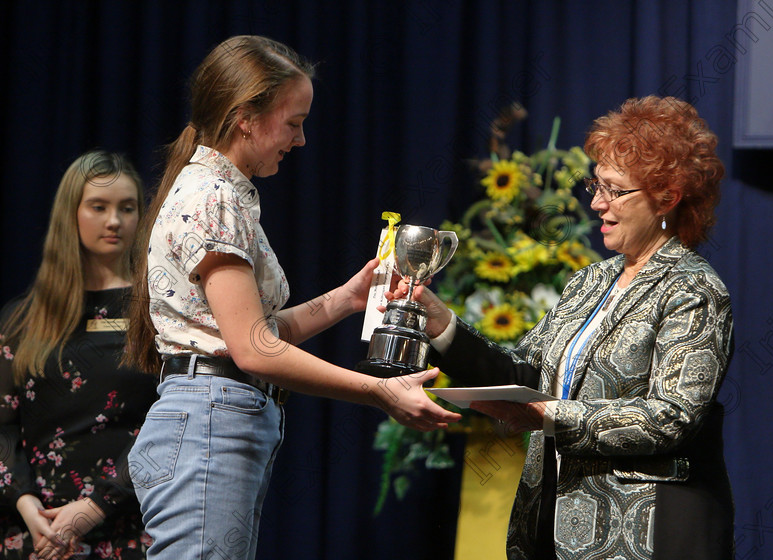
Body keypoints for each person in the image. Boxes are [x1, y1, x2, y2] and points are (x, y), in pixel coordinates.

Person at [122, 35, 460, 559]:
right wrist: (380, 392)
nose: (300, 140)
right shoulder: (212, 197)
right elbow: (254, 350)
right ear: (245, 118)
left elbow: (256, 332)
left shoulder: (222, 191)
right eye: (294, 122)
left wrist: (347, 299)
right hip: (210, 423)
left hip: (217, 420)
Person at [394, 95, 734, 559]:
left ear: (667, 197)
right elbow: (525, 374)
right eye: (597, 186)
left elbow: (671, 416)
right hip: (552, 521)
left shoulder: (693, 289)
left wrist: (550, 415)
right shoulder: (591, 281)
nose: (596, 203)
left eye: (615, 190)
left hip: (647, 529)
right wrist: (440, 322)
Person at [0, 151, 157, 559]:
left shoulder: (159, 315)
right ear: (71, 213)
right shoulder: (20, 320)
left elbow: (172, 427)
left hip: (133, 527)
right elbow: (2, 426)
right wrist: (26, 504)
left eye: (127, 208)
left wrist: (97, 505)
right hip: (41, 535)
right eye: (98, 207)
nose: (114, 221)